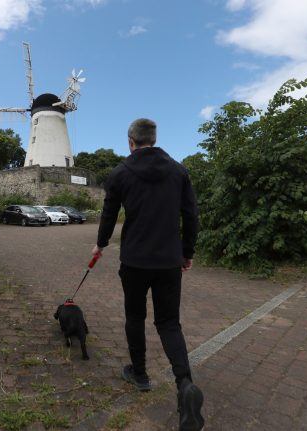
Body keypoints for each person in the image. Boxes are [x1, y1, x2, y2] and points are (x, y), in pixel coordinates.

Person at [92, 118, 204, 431]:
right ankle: (184, 385)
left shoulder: (120, 173)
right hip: (169, 261)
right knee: (169, 323)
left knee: (135, 316)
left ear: (131, 140)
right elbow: (191, 215)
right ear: (153, 139)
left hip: (135, 261)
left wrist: (100, 244)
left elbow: (109, 214)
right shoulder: (179, 171)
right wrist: (187, 253)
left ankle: (139, 374)